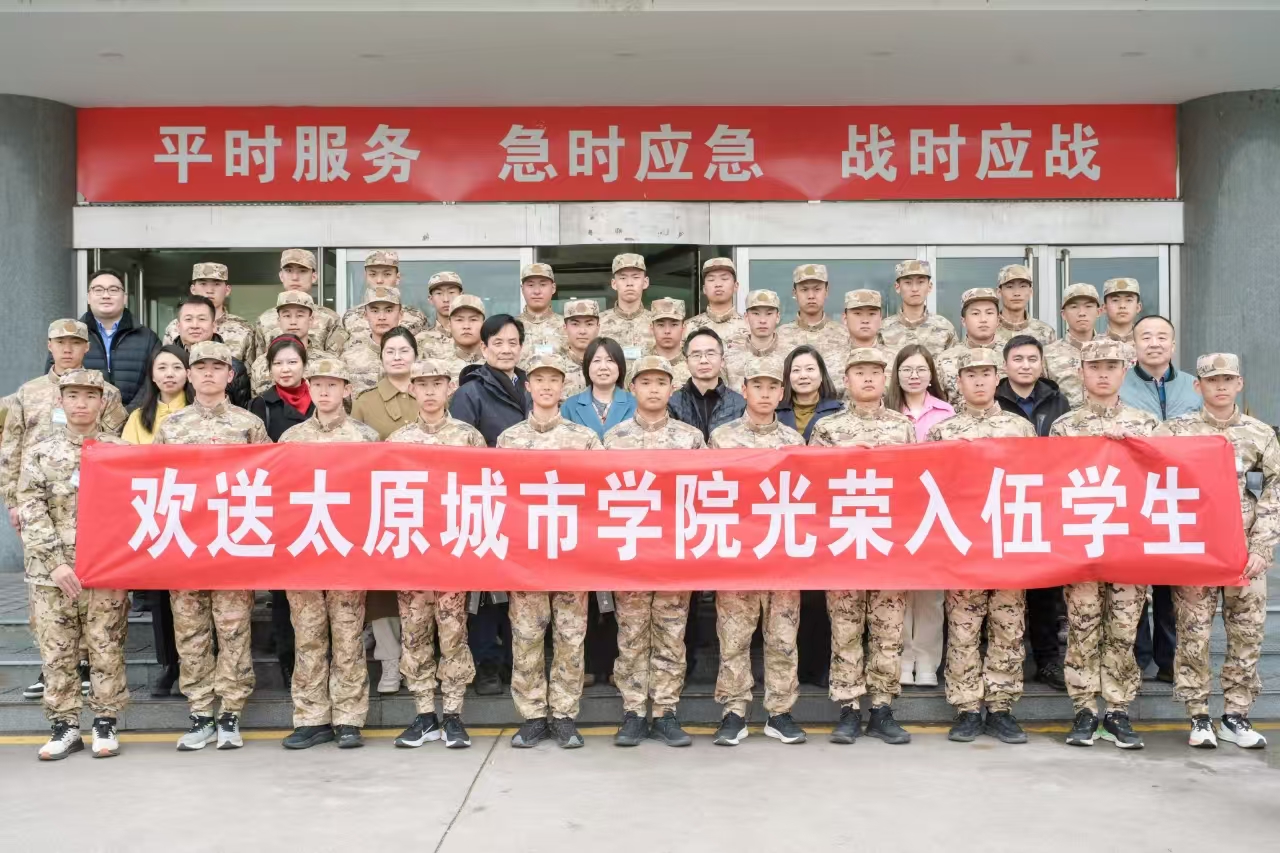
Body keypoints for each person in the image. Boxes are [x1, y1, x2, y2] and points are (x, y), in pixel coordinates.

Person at [1156, 353, 1278, 749]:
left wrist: (1261, 546)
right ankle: (1198, 715)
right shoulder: (1175, 431)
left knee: (1247, 634)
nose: (1220, 386)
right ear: (1198, 386)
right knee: (1194, 634)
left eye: (1227, 379)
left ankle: (1236, 715)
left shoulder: (1260, 433)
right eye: (1211, 380)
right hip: (1197, 550)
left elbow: (1274, 491)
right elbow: (1140, 466)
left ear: (1239, 383)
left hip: (1245, 551)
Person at [153, 341, 270, 751]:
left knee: (234, 630)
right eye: (200, 366)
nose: (208, 373)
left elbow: (267, 482)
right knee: (191, 632)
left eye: (216, 367)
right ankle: (201, 712)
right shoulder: (171, 427)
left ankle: (231, 712)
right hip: (185, 546)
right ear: (188, 374)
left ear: (230, 375)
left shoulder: (249, 425)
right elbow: (156, 483)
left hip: (232, 544)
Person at [1049, 338, 1158, 749]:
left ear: (1123, 372)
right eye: (1094, 367)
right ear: (1081, 372)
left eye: (1111, 367)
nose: (1102, 374)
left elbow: (1161, 481)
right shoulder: (1064, 427)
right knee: (1082, 627)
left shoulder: (1145, 425)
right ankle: (1083, 709)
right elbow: (1051, 482)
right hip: (1082, 545)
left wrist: (1132, 447)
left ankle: (1117, 710)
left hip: (1129, 546)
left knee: (1124, 629)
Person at [17, 369, 130, 761]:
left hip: (105, 571)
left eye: (90, 396)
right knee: (57, 650)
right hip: (52, 573)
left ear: (103, 401)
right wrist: (55, 563)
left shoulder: (120, 451)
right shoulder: (40, 451)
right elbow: (31, 509)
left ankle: (105, 721)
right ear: (60, 400)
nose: (81, 403)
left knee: (106, 645)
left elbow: (132, 511)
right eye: (73, 396)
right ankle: (64, 726)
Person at [925, 349, 1037, 744]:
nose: (978, 381)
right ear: (959, 381)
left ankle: (1001, 707)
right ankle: (967, 707)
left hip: (1008, 542)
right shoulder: (943, 432)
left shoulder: (1020, 429)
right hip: (963, 545)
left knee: (1008, 626)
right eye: (970, 374)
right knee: (963, 628)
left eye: (986, 374)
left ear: (997, 378)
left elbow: (1037, 483)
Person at [809, 348, 915, 746]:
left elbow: (915, 483)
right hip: (844, 542)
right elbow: (812, 485)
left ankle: (883, 708)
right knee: (846, 628)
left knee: (888, 629)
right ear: (846, 379)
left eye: (875, 372)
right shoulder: (828, 429)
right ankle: (849, 708)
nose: (868, 378)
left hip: (888, 543)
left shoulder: (902, 428)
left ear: (885, 379)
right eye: (859, 372)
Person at [497, 354, 603, 749]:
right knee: (526, 637)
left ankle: (563, 715)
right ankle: (532, 716)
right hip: (526, 557)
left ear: (564, 387)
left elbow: (599, 496)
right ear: (527, 386)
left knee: (571, 637)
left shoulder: (585, 439)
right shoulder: (508, 440)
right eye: (538, 379)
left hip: (572, 555)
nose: (545, 386)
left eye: (553, 380)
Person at [277, 358, 380, 751]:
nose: (324, 391)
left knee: (349, 637)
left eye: (332, 384)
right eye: (317, 384)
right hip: (304, 552)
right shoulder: (291, 439)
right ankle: (311, 718)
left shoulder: (366, 438)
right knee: (308, 637)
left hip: (347, 552)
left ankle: (349, 718)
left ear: (347, 389)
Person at [603, 356, 706, 747]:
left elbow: (707, 494)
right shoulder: (613, 440)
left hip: (673, 555)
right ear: (633, 389)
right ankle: (632, 712)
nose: (653, 389)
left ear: (671, 389)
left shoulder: (691, 439)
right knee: (630, 635)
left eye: (661, 382)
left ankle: (665, 711)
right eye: (645, 382)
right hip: (629, 553)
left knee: (670, 635)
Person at [386, 358, 485, 749]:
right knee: (414, 634)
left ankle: (454, 715)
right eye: (422, 384)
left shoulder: (468, 437)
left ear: (449, 388)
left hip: (453, 552)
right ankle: (425, 713)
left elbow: (482, 492)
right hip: (412, 553)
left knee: (454, 633)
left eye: (437, 384)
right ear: (411, 389)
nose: (429, 391)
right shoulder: (397, 441)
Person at [708, 358, 806, 747]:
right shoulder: (721, 438)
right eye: (757, 386)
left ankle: (780, 712)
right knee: (734, 637)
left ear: (781, 393)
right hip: (737, 555)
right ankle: (733, 712)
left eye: (772, 387)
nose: (765, 394)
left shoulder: (795, 442)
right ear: (744, 390)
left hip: (782, 554)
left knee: (783, 636)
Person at [450, 314, 530, 695]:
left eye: (512, 342)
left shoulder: (529, 386)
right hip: (485, 501)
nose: (506, 349)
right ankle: (486, 664)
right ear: (483, 348)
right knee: (484, 590)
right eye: (497, 342)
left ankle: (518, 661)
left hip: (525, 503)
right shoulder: (470, 393)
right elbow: (461, 448)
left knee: (520, 586)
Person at [1121, 314, 1202, 684]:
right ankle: (1136, 658)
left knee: (1172, 581)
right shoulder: (1119, 384)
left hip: (1180, 496)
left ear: (1173, 344)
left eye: (1161, 337)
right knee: (1133, 580)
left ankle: (1170, 659)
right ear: (1133, 344)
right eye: (1146, 337)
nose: (1154, 343)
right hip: (1132, 495)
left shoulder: (1194, 386)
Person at [993, 335, 1070, 692]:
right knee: (1002, 585)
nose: (1025, 365)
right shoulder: (993, 399)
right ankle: (998, 661)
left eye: (1032, 359)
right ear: (1005, 365)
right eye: (1018, 359)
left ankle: (1048, 661)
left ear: (1042, 363)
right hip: (1000, 502)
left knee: (1045, 588)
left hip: (1046, 502)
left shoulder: (1058, 401)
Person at [349, 327, 422, 690]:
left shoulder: (430, 392)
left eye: (403, 350)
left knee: (422, 584)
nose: (397, 356)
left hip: (426, 504)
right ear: (380, 358)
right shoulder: (365, 402)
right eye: (390, 351)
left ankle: (419, 660)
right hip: (381, 503)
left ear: (415, 356)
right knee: (382, 587)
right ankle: (390, 661)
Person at [3, 320, 128, 524]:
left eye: (76, 343)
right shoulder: (28, 392)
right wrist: (12, 502)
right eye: (60, 342)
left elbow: (116, 446)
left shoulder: (107, 393)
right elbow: (11, 448)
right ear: (49, 345)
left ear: (87, 347)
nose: (67, 349)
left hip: (90, 495)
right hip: (35, 497)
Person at [121, 344, 193, 698]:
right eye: (162, 367)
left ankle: (197, 663)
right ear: (151, 374)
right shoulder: (138, 418)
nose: (169, 374)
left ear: (188, 373)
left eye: (176, 367)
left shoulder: (197, 412)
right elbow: (127, 465)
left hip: (198, 513)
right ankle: (170, 664)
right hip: (157, 513)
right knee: (162, 596)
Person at [885, 344, 953, 687]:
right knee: (897, 590)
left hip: (934, 509)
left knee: (930, 591)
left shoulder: (947, 413)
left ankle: (926, 662)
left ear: (931, 375)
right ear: (896, 375)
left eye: (920, 369)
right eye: (907, 369)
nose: (914, 376)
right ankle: (901, 659)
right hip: (893, 510)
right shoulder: (884, 412)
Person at [72, 269, 161, 407]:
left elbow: (153, 381)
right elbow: (54, 379)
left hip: (134, 417)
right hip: (82, 414)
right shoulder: (72, 336)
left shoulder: (148, 338)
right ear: (88, 297)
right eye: (98, 290)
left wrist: (129, 414)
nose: (106, 295)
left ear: (125, 297)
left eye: (113, 290)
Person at [250, 249, 346, 364]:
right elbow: (259, 365)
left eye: (302, 271)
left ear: (314, 276)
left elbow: (335, 365)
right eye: (289, 271)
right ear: (281, 276)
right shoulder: (264, 320)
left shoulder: (330, 319)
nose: (295, 277)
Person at [162, 262, 253, 361]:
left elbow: (250, 369)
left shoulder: (243, 329)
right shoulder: (175, 328)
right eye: (203, 284)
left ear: (227, 290)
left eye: (217, 284)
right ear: (193, 289)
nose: (209, 290)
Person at [172, 294, 251, 408]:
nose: (195, 325)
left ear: (214, 326)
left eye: (202, 319)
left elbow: (241, 411)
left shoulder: (233, 367)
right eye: (188, 319)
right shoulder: (164, 365)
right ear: (178, 327)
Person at [667, 328, 745, 442]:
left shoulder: (740, 404)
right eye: (696, 355)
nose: (703, 360)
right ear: (686, 362)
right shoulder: (672, 403)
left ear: (722, 360)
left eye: (710, 354)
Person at [934, 287, 1007, 406]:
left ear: (998, 320)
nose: (983, 319)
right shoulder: (945, 359)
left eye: (989, 313)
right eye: (975, 313)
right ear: (963, 321)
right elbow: (937, 405)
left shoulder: (1012, 356)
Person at [341, 251, 428, 344]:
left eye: (387, 274)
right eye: (373, 274)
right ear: (366, 277)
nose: (379, 280)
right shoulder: (350, 317)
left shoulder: (416, 317)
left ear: (397, 278)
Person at [250, 291, 328, 395]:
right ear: (279, 320)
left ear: (311, 320)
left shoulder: (327, 362)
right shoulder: (261, 364)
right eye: (287, 316)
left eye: (300, 315)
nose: (293, 322)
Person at [777, 264, 848, 370]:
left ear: (826, 291)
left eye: (817, 289)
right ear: (795, 293)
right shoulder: (779, 337)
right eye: (804, 290)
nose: (811, 296)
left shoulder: (844, 335)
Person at [880, 260, 957, 356]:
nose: (914, 289)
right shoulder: (883, 329)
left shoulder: (945, 328)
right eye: (908, 283)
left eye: (920, 282)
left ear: (929, 286)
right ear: (897, 287)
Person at [562, 337, 635, 439]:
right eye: (596, 360)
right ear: (587, 367)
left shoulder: (636, 405)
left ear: (620, 366)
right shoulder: (569, 406)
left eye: (610, 360)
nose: (603, 367)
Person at [1043, 283, 1102, 408]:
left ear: (1099, 311)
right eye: (1074, 307)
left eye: (1088, 306)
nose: (1082, 313)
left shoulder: (1114, 351)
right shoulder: (1047, 355)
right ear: (1063, 314)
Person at [342, 286, 406, 397]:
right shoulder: (349, 359)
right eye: (375, 311)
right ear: (366, 315)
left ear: (400, 314)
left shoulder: (415, 357)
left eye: (389, 310)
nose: (382, 317)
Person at [249, 336, 315, 442]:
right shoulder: (261, 405)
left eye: (292, 362)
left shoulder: (319, 399)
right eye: (277, 363)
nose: (285, 369)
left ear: (304, 365)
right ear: (270, 369)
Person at [776, 346, 842, 443]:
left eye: (810, 369)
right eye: (796, 370)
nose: (803, 376)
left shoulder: (839, 412)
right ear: (788, 376)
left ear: (821, 375)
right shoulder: (773, 412)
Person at [725, 289, 785, 393]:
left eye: (769, 313)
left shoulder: (789, 355)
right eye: (756, 313)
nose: (762, 320)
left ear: (778, 317)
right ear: (746, 317)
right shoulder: (730, 357)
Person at [598, 253, 654, 363]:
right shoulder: (598, 323)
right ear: (614, 283)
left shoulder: (657, 323)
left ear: (645, 282)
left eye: (636, 277)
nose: (629, 283)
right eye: (623, 278)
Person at [686, 257, 749, 349]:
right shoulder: (688, 327)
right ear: (704, 289)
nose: (718, 284)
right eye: (711, 280)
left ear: (735, 286)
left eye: (724, 278)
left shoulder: (749, 326)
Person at [516, 262, 566, 366]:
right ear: (522, 289)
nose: (537, 291)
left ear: (553, 288)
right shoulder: (511, 327)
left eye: (543, 285)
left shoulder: (567, 326)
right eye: (530, 285)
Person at [993, 264, 1056, 346]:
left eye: (1023, 286)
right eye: (1010, 287)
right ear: (999, 292)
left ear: (1030, 292)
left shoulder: (1045, 332)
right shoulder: (988, 329)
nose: (1017, 293)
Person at [435, 294, 487, 386]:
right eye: (459, 320)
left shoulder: (496, 359)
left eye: (473, 320)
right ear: (449, 325)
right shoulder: (436, 361)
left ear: (484, 324)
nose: (466, 326)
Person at [838, 289, 897, 367]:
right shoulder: (830, 357)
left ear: (880, 318)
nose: (865, 320)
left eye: (871, 314)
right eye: (858, 313)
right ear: (845, 318)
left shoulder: (896, 359)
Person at [557, 298, 601, 400]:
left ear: (598, 327)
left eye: (589, 324)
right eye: (575, 324)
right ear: (565, 328)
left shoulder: (607, 366)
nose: (582, 331)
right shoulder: (555, 366)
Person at [646, 298, 693, 386]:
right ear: (652, 328)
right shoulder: (641, 363)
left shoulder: (694, 364)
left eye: (674, 325)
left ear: (683, 328)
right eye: (661, 325)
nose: (667, 331)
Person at [418, 271, 464, 357]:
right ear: (431, 299)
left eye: (451, 292)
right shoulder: (421, 338)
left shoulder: (473, 334)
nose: (446, 299)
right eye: (439, 293)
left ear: (461, 296)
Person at [1101, 277, 1142, 352]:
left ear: (1138, 307)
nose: (1122, 306)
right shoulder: (1092, 345)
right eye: (1115, 300)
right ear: (1104, 308)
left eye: (1129, 300)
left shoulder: (1147, 344)